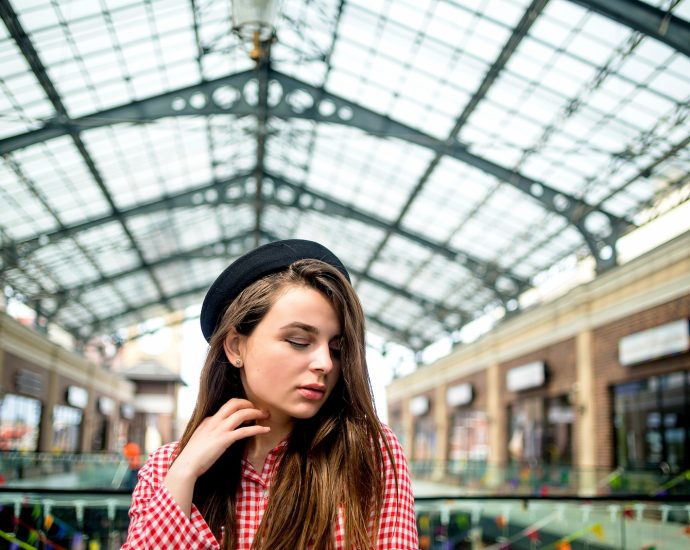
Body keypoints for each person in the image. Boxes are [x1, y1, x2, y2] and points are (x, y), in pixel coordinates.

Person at [123, 239, 418, 549]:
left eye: (337, 348)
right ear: (236, 347)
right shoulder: (166, 468)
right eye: (299, 341)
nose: (325, 363)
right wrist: (184, 472)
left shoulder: (370, 453)